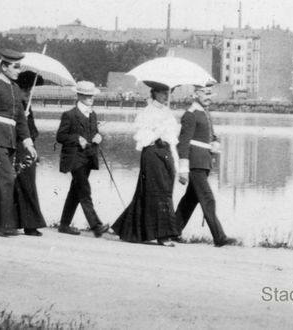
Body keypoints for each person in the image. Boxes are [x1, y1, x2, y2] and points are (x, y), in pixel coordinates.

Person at [0, 49, 37, 237]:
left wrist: (28, 143)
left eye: (19, 66)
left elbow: (20, 119)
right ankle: (3, 225)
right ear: (4, 67)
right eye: (15, 67)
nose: (19, 70)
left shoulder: (15, 89)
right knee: (8, 179)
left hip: (10, 141)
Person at [112, 82, 181, 247]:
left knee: (162, 191)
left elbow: (172, 137)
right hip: (152, 153)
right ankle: (162, 235)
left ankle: (127, 229)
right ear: (154, 93)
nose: (166, 96)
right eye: (163, 93)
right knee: (156, 192)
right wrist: (159, 130)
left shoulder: (167, 112)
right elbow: (143, 138)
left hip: (166, 154)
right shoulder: (147, 112)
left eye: (168, 93)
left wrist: (168, 130)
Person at [174, 84, 236, 247]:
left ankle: (172, 231)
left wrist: (214, 142)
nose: (209, 97)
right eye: (205, 94)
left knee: (190, 199)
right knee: (208, 199)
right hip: (195, 162)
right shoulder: (191, 114)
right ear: (195, 94)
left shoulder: (205, 113)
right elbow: (183, 143)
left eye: (210, 94)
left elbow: (211, 135)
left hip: (204, 161)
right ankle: (220, 237)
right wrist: (183, 169)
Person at [56, 81, 110, 237]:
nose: (90, 98)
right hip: (74, 158)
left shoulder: (93, 114)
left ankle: (64, 225)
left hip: (88, 158)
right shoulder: (70, 115)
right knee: (84, 190)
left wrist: (98, 137)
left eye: (92, 95)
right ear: (79, 96)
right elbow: (60, 136)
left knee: (76, 190)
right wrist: (76, 138)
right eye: (87, 96)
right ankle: (96, 226)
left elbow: (95, 132)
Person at [14, 70, 47, 236]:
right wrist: (20, 120)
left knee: (24, 183)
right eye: (25, 90)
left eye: (29, 90)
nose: (28, 93)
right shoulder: (14, 105)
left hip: (27, 148)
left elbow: (32, 133)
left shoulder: (27, 106)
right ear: (18, 89)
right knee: (23, 184)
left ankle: (27, 223)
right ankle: (29, 225)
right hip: (17, 149)